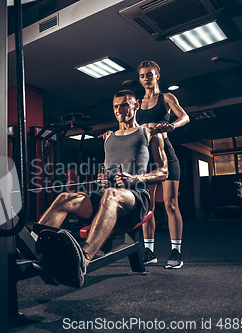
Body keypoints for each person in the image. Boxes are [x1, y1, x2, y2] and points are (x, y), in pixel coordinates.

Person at [35, 90, 168, 288]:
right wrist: (103, 178)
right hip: (109, 195)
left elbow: (164, 171)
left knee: (111, 194)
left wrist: (136, 178)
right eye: (115, 106)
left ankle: (83, 259)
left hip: (137, 197)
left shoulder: (148, 133)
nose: (119, 110)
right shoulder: (109, 139)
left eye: (124, 105)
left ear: (136, 106)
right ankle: (36, 248)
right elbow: (107, 169)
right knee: (65, 198)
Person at [136, 60, 189, 269]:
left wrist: (171, 125)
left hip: (165, 153)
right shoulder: (137, 103)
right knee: (146, 207)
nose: (145, 79)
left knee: (170, 204)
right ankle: (149, 251)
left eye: (149, 75)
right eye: (142, 76)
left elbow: (184, 117)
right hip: (145, 158)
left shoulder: (167, 98)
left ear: (157, 75)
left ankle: (176, 251)